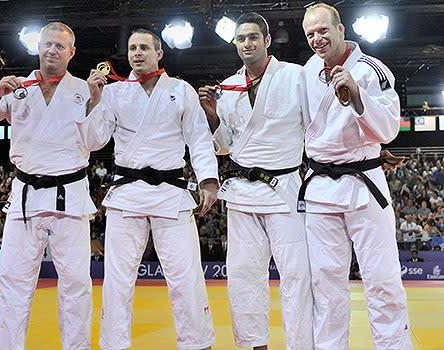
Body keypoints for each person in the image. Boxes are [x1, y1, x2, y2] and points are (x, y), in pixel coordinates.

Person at [0, 23, 95, 349]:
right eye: (48, 44)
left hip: (70, 194)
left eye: (60, 46)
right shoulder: (17, 88)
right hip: (26, 196)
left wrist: (97, 99)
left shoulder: (86, 89)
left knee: (76, 284)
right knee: (13, 282)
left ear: (71, 52)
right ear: (38, 47)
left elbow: (100, 135)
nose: (53, 50)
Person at [80, 28, 218, 350]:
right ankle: (114, 344)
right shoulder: (114, 92)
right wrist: (93, 100)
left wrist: (209, 181)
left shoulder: (181, 90)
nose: (137, 53)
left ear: (159, 53)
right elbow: (93, 141)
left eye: (144, 47)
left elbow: (198, 138)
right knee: (117, 279)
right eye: (132, 48)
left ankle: (197, 343)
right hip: (127, 193)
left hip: (171, 192)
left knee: (185, 275)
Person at [198, 12, 313, 350]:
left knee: (297, 275)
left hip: (284, 189)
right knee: (244, 276)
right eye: (240, 39)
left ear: (266, 40)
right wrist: (212, 115)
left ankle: (300, 345)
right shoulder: (229, 88)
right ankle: (255, 345)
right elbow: (226, 145)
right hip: (242, 193)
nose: (246, 43)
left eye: (252, 37)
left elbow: (317, 123)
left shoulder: (296, 77)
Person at [300, 3, 412, 349]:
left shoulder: (370, 69)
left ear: (340, 29)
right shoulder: (307, 71)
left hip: (363, 185)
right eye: (310, 34)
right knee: (326, 282)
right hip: (320, 188)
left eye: (323, 30)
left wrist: (358, 94)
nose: (317, 39)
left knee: (382, 279)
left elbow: (389, 128)